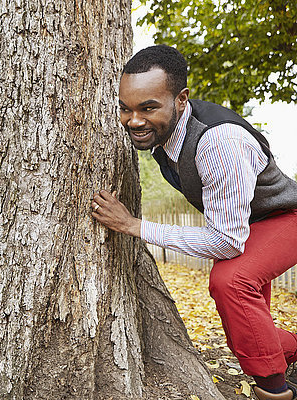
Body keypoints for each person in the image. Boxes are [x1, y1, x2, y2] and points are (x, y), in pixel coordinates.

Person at [91, 45, 297, 400]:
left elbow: (227, 240)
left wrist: (134, 225)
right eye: (125, 108)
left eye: (148, 107)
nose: (134, 120)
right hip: (250, 222)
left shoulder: (219, 142)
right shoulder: (165, 133)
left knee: (231, 282)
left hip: (285, 217)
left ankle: (276, 392)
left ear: (181, 99)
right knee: (244, 328)